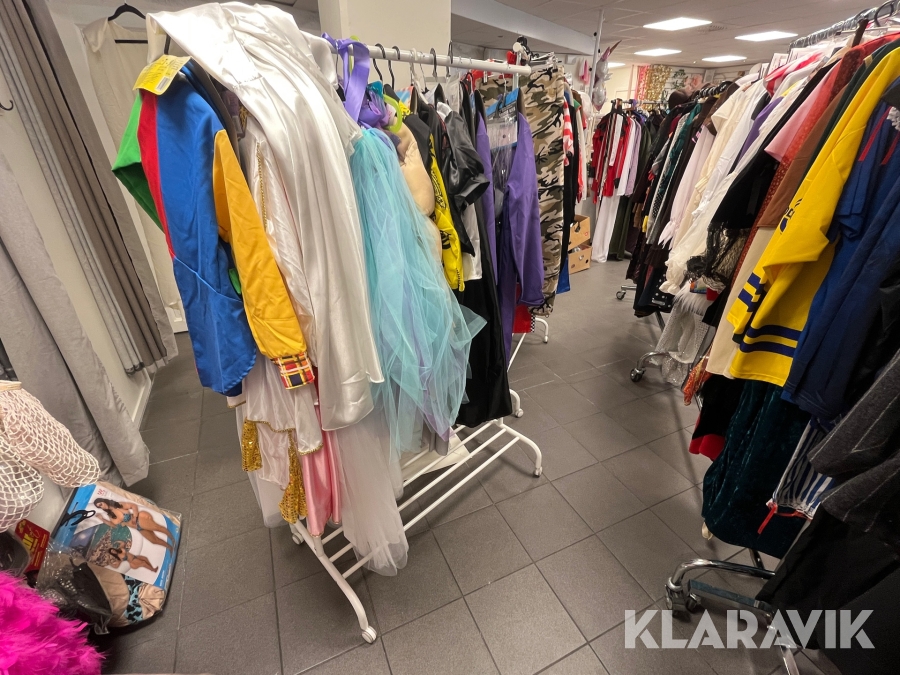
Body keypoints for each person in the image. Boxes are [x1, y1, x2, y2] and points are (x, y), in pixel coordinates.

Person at [93, 498, 176, 552]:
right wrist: (102, 519)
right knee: (154, 540)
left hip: (139, 519)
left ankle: (173, 539)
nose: (101, 507)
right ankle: (170, 548)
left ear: (104, 501)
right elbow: (113, 525)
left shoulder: (118, 505)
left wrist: (135, 517)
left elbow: (133, 506)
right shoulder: (110, 515)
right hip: (137, 527)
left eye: (101, 504)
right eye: (99, 507)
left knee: (158, 528)